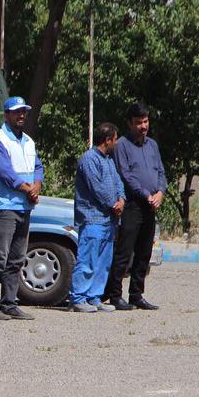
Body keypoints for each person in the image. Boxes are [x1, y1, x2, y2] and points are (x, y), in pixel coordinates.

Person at [0, 96, 43, 321]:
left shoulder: (28, 141)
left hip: (24, 206)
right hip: (4, 207)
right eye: (16, 112)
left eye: (24, 111)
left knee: (17, 258)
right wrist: (29, 189)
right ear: (6, 115)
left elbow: (38, 166)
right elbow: (6, 173)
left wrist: (37, 184)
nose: (21, 115)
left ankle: (9, 303)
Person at [105, 102, 166, 311]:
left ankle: (136, 294)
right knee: (124, 252)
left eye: (146, 121)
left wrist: (160, 192)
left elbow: (160, 171)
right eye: (139, 122)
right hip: (132, 205)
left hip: (150, 206)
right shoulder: (122, 145)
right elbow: (125, 174)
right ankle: (115, 295)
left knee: (144, 252)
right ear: (130, 124)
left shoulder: (152, 145)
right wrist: (145, 194)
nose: (143, 126)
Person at [69, 123, 124, 313]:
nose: (116, 143)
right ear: (107, 140)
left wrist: (122, 200)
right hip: (92, 218)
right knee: (87, 260)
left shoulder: (109, 160)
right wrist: (113, 204)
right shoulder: (89, 159)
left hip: (108, 221)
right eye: (115, 139)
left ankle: (94, 297)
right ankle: (78, 297)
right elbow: (97, 188)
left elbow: (118, 182)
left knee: (103, 262)